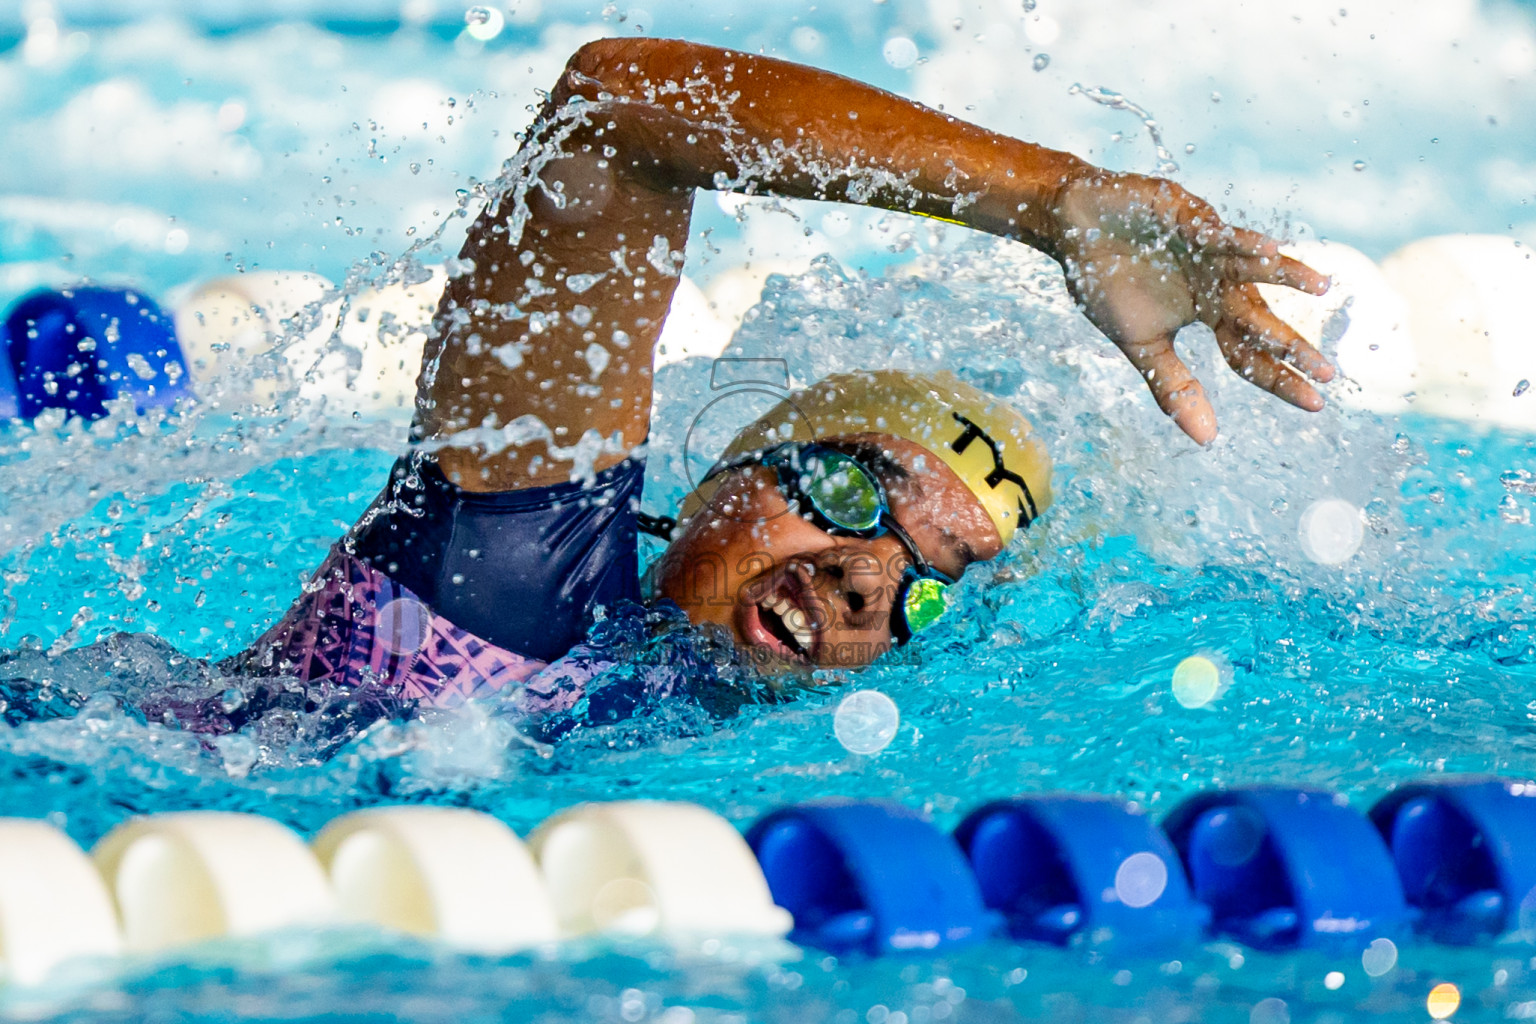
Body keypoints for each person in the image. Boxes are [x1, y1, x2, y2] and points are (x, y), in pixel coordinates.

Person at [227, 38, 1333, 725]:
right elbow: (611, 110)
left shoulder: (734, 745)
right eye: (858, 495)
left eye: (925, 585)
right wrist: (1054, 202)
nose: (866, 582)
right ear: (727, 469)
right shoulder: (515, 563)